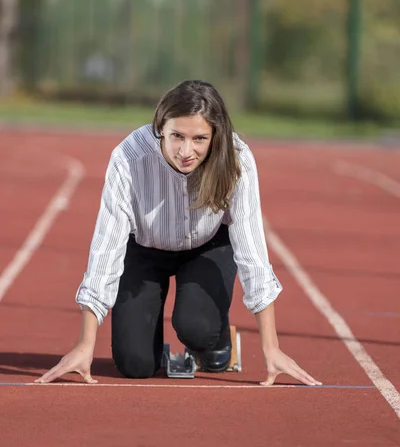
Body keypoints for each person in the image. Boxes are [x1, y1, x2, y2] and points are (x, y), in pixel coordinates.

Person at [36, 80, 321, 386]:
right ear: (160, 126)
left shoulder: (237, 159)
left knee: (197, 327)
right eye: (177, 136)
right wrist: (85, 344)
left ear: (216, 136)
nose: (186, 151)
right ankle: (150, 342)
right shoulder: (129, 159)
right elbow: (106, 249)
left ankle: (217, 338)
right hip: (144, 248)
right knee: (135, 364)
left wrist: (271, 347)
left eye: (199, 138)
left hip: (207, 246)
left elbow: (252, 251)